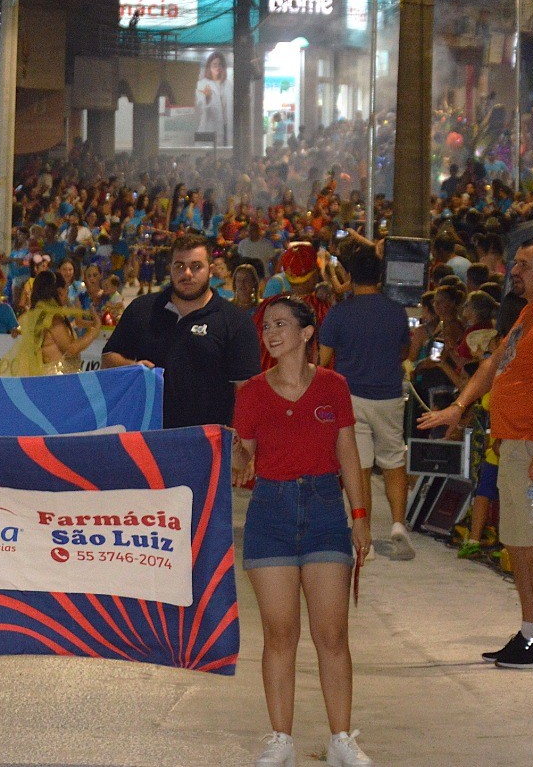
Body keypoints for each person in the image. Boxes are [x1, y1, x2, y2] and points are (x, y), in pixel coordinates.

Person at [419, 237, 533, 669]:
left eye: (524, 265)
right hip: (515, 444)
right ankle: (530, 632)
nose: (514, 270)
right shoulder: (532, 311)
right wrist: (458, 407)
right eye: (514, 263)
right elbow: (494, 365)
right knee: (519, 542)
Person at [232, 296, 375, 767]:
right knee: (279, 634)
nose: (271, 333)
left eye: (281, 324)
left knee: (332, 634)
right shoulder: (251, 392)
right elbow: (242, 456)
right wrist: (227, 454)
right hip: (270, 511)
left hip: (325, 511)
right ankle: (281, 741)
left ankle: (341, 740)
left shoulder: (334, 386)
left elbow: (349, 454)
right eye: (266, 326)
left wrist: (360, 517)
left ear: (307, 333)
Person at [103, 233, 263, 429]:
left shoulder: (235, 321)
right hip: (145, 440)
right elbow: (108, 360)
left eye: (196, 266)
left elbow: (247, 392)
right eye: (179, 266)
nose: (187, 273)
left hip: (206, 445)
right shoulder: (142, 309)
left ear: (210, 270)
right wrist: (133, 367)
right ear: (169, 268)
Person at [318, 245, 415, 561]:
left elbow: (323, 360)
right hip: (389, 395)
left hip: (352, 396)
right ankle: (399, 524)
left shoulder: (340, 313)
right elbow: (404, 351)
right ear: (381, 275)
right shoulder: (395, 310)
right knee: (393, 459)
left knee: (358, 466)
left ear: (349, 276)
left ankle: (365, 537)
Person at [0, 271, 101, 376]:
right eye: (66, 291)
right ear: (60, 292)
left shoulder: (38, 317)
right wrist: (95, 330)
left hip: (49, 379)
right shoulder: (53, 319)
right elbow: (71, 349)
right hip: (58, 382)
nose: (67, 296)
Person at [195, 51, 231, 147]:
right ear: (209, 66)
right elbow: (200, 108)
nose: (217, 67)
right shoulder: (202, 84)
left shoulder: (228, 84)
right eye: (214, 64)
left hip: (224, 128)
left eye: (220, 64)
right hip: (208, 127)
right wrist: (207, 98)